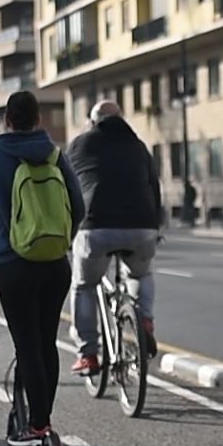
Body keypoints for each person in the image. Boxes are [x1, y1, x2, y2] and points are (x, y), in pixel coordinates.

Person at [0, 91, 85, 446]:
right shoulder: (54, 155)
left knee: (27, 345)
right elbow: (78, 206)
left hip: (15, 266)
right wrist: (60, 237)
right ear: (39, 120)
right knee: (46, 342)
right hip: (55, 266)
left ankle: (36, 426)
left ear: (7, 119)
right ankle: (42, 419)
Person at [65, 99, 162, 375]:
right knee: (141, 275)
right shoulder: (139, 147)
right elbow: (154, 188)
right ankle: (144, 319)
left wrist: (70, 228)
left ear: (93, 121)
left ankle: (88, 354)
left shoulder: (79, 145)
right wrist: (156, 227)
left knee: (84, 285)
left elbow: (67, 189)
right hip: (142, 226)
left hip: (96, 226)